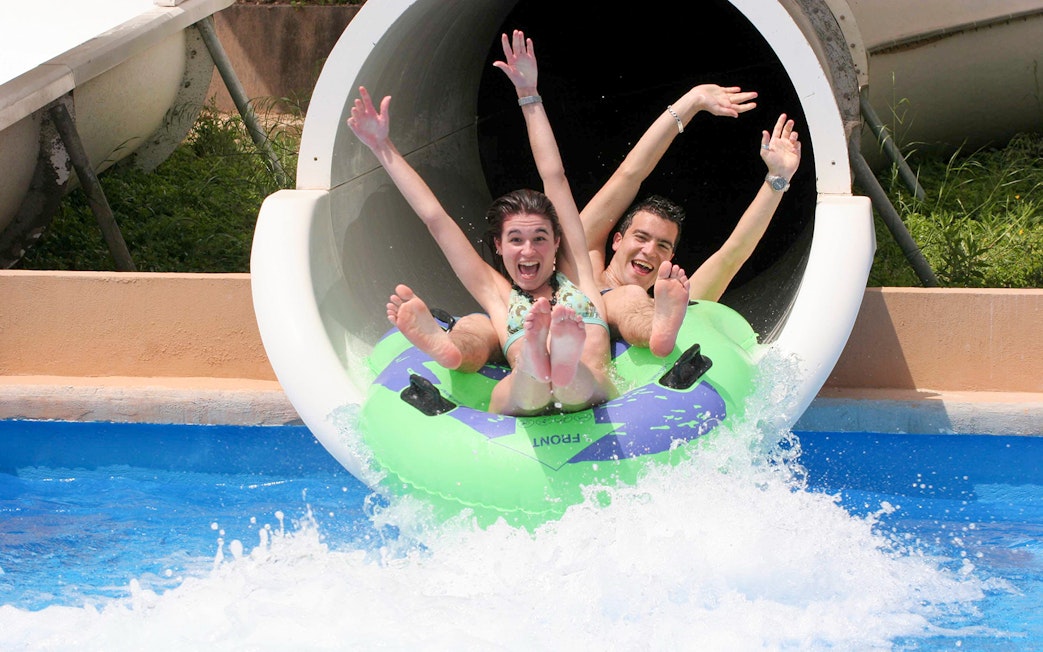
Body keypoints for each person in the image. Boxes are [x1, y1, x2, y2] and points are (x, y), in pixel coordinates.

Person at [392, 80, 801, 370]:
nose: (650, 251)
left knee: (628, 301)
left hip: (602, 362)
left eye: (663, 247)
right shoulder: (578, 261)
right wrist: (689, 103)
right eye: (641, 237)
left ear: (671, 259)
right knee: (480, 325)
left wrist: (776, 180)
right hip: (528, 340)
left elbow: (733, 254)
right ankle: (450, 348)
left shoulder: (674, 294)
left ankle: (654, 332)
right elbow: (629, 175)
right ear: (617, 239)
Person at [350, 30, 616, 416]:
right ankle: (537, 363)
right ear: (499, 246)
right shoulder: (499, 295)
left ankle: (563, 364)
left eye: (540, 238)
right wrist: (382, 146)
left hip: (588, 386)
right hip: (526, 392)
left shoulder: (579, 275)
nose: (528, 250)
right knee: (524, 385)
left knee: (581, 381)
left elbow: (554, 176)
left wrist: (529, 94)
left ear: (558, 241)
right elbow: (435, 218)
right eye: (516, 239)